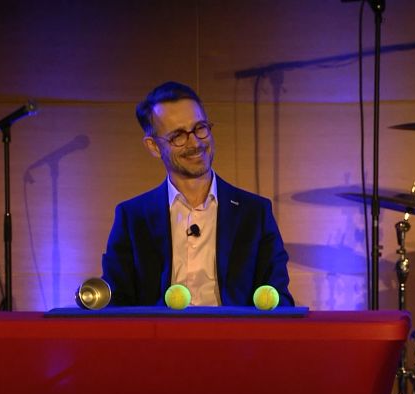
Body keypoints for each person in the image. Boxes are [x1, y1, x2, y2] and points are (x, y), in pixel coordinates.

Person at [101, 81, 293, 307]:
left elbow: (279, 300)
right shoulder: (132, 217)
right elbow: (115, 302)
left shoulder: (255, 213)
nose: (195, 143)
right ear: (154, 146)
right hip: (159, 329)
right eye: (178, 136)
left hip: (233, 330)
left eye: (200, 128)